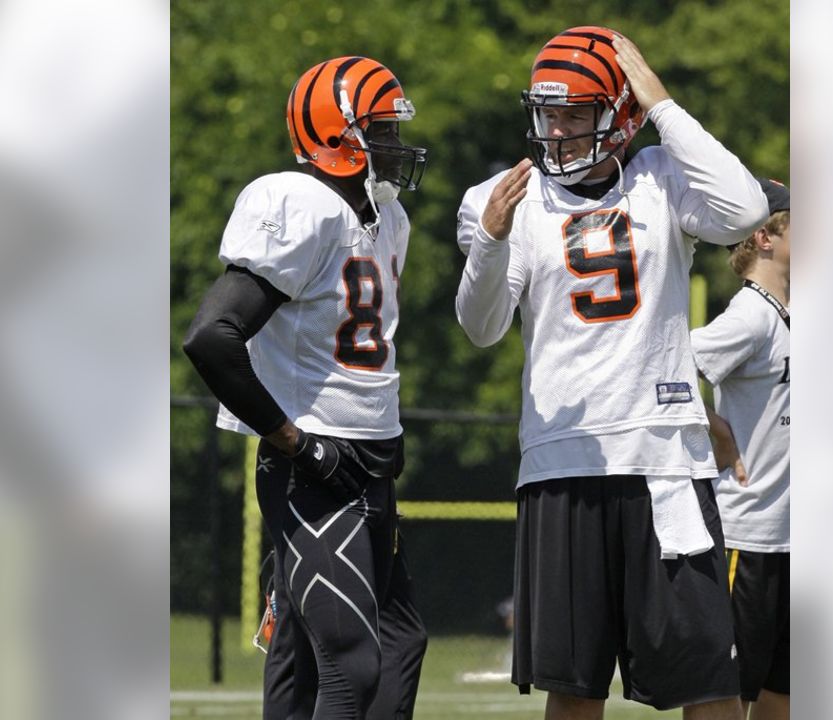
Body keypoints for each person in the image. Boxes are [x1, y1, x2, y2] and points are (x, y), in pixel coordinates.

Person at [455, 27, 768, 720]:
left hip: (665, 460)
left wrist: (658, 100)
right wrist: (491, 241)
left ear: (619, 116)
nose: (557, 130)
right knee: (576, 686)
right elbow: (481, 328)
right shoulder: (500, 198)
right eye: (548, 112)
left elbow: (744, 208)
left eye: (576, 113)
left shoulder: (660, 174)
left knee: (709, 681)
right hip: (562, 460)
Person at [182, 56, 428, 720]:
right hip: (316, 464)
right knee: (353, 661)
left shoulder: (386, 219)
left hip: (371, 456)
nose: (395, 147)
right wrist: (293, 441)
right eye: (380, 131)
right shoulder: (298, 202)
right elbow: (213, 335)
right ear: (338, 134)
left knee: (388, 646)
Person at [691, 178, 790, 720]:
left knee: (785, 692)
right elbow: (670, 366)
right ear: (766, 237)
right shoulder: (751, 316)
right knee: (732, 693)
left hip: (797, 538)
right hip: (748, 538)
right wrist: (721, 435)